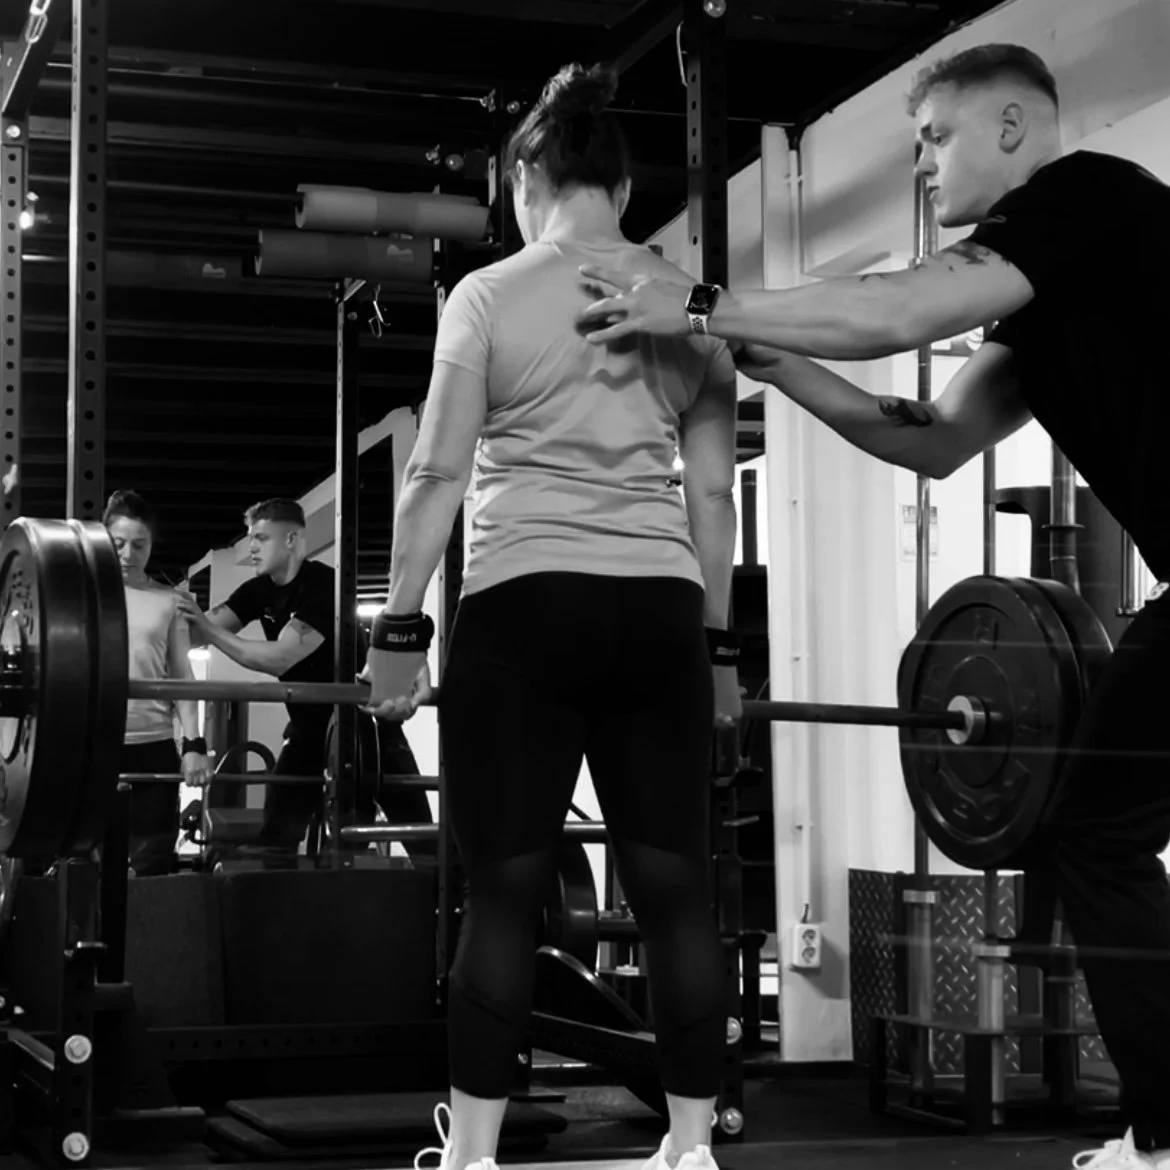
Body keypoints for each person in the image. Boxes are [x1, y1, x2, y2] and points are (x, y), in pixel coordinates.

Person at [575, 41, 1170, 1170]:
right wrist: (755, 350)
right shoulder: (1042, 303)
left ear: (1010, 126)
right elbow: (930, 441)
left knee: (1099, 832)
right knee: (1101, 831)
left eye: (936, 140)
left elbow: (899, 311)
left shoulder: (1085, 198)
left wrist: (703, 301)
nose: (927, 169)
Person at [361, 61, 742, 1170]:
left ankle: (473, 1156)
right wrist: (717, 651)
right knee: (674, 889)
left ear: (532, 177)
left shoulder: (487, 295)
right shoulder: (688, 304)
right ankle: (688, 1150)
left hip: (523, 610)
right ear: (620, 190)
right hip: (661, 616)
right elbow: (715, 496)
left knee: (505, 890)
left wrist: (400, 634)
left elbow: (435, 477)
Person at [177, 498, 432, 865]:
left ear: (292, 540)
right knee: (276, 837)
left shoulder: (325, 585)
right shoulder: (258, 590)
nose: (251, 548)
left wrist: (207, 631)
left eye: (262, 539)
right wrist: (160, 612)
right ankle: (279, 913)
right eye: (251, 538)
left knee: (419, 840)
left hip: (367, 729)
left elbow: (279, 657)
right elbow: (202, 629)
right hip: (308, 729)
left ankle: (453, 906)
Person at [106, 490, 212, 875]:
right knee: (83, 859)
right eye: (118, 543)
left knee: (151, 862)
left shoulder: (169, 601)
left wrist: (194, 745)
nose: (128, 554)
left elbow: (182, 677)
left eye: (139, 544)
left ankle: (146, 933)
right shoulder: (84, 596)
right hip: (92, 742)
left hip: (152, 746)